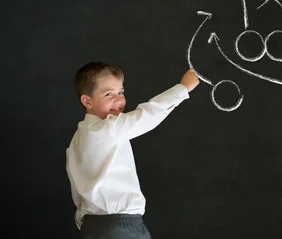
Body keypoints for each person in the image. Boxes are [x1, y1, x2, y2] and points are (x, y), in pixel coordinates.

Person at [66, 61, 200, 238]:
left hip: (94, 226)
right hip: (118, 226)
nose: (119, 100)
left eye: (121, 92)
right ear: (87, 101)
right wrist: (183, 88)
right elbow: (147, 115)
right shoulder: (107, 128)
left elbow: (78, 192)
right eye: (109, 94)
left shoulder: (77, 140)